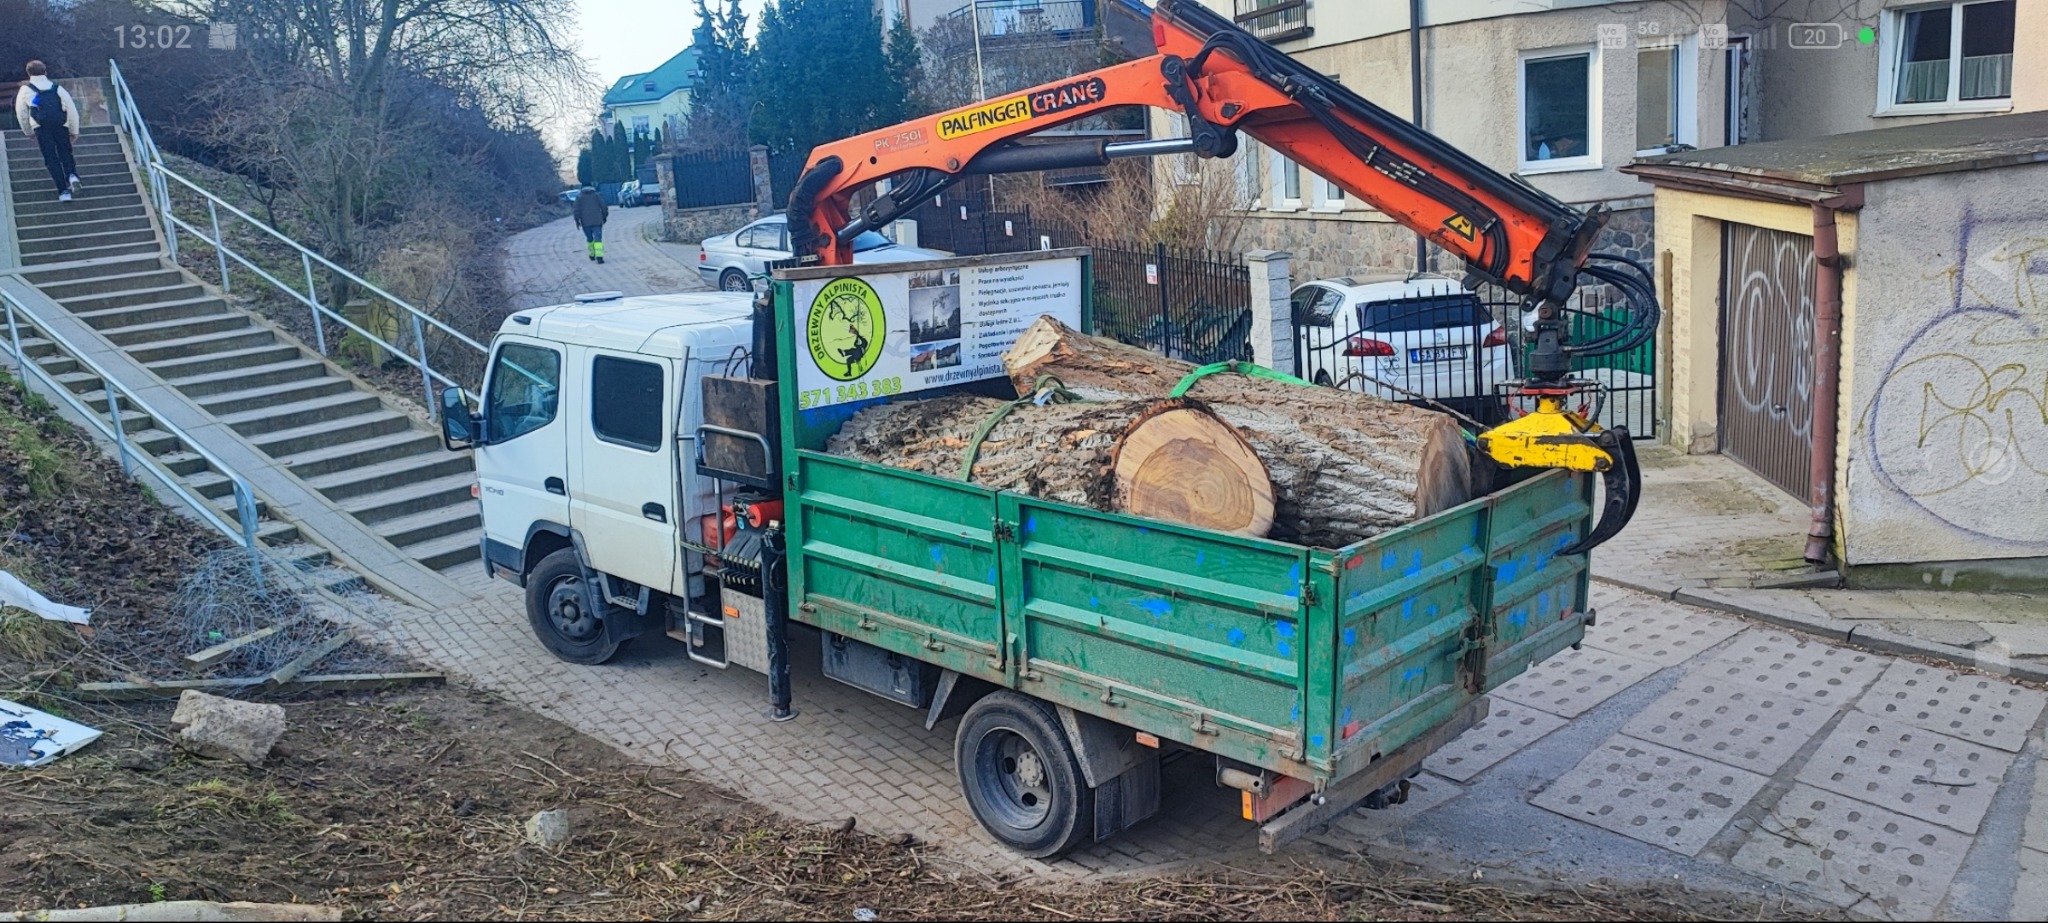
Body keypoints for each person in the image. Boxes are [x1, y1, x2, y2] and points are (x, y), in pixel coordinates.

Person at [13, 60, 81, 203]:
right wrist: (74, 130)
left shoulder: (26, 90)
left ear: (29, 73)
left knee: (51, 159)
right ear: (45, 71)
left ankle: (63, 191)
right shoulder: (56, 88)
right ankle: (72, 175)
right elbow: (71, 109)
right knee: (65, 152)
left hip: (41, 128)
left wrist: (28, 132)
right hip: (61, 125)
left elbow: (22, 113)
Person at [573, 184, 608, 263]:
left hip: (585, 222)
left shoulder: (579, 197)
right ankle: (599, 256)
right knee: (598, 239)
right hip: (597, 221)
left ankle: (592, 254)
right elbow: (603, 206)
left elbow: (576, 210)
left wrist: (577, 220)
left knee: (589, 239)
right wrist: (604, 216)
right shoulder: (596, 195)